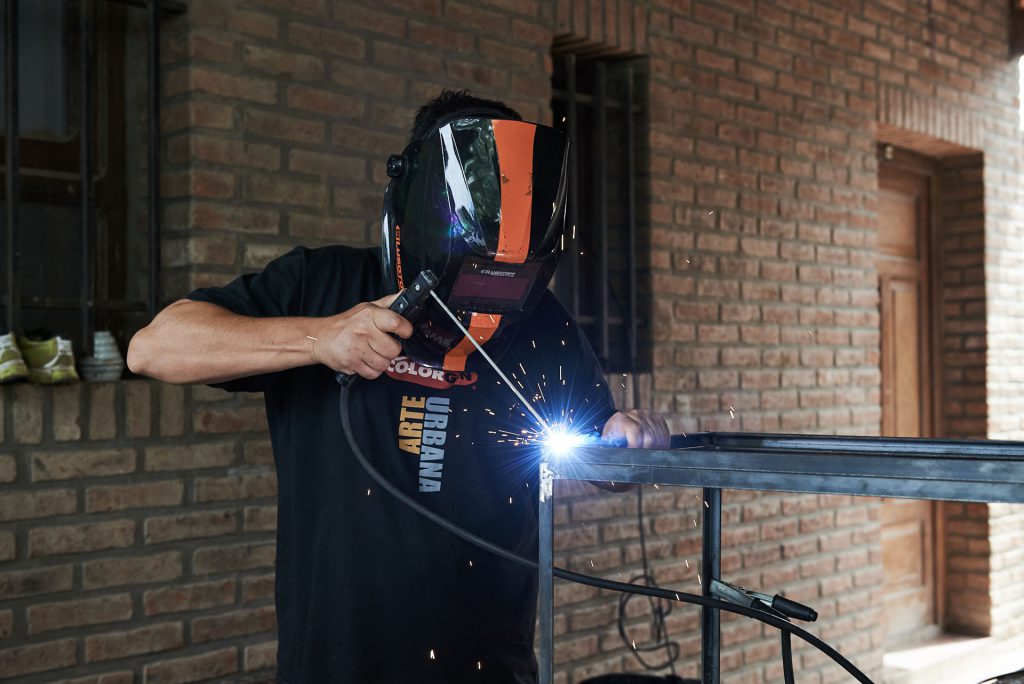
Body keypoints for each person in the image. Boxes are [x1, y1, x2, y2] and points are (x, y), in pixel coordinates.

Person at [128, 90, 669, 684]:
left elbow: (603, 461)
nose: (485, 304)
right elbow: (154, 348)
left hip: (489, 668)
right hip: (336, 668)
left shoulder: (539, 320)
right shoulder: (322, 283)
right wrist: (321, 338)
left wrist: (628, 442)